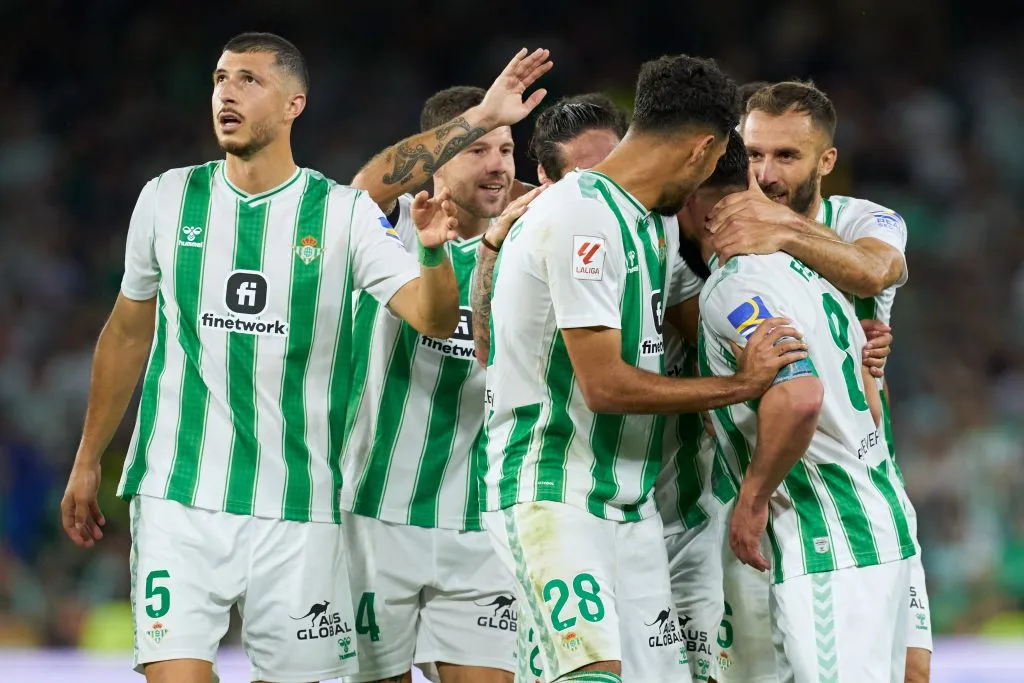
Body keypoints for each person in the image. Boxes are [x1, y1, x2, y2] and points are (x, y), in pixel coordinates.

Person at [59, 32, 462, 683]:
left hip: (300, 506)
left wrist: (435, 253)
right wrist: (86, 459)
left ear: (293, 104)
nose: (227, 92)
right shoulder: (167, 199)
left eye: (250, 80)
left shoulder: (342, 214)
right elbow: (127, 332)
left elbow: (434, 317)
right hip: (179, 492)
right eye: (220, 78)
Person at [481, 54, 807, 683]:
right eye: (718, 164)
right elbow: (603, 386)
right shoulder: (582, 214)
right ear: (703, 150)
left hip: (630, 508)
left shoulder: (647, 222)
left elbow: (700, 323)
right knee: (594, 674)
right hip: (552, 491)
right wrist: (742, 385)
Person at [706, 80, 930, 683]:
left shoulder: (863, 218)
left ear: (825, 160)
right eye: (753, 154)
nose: (766, 173)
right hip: (798, 500)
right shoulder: (731, 243)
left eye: (786, 156)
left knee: (911, 672)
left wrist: (783, 230)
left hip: (868, 486)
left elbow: (876, 270)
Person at [339, 84, 547, 683]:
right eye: (477, 148)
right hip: (376, 518)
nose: (497, 164)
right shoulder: (390, 230)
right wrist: (482, 114)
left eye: (506, 149)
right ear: (437, 158)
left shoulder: (527, 243)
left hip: (481, 523)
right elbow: (363, 188)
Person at [472, 92, 630, 366]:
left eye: (615, 168)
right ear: (545, 174)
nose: (607, 187)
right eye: (588, 177)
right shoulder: (529, 235)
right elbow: (488, 354)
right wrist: (489, 254)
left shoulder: (657, 220)